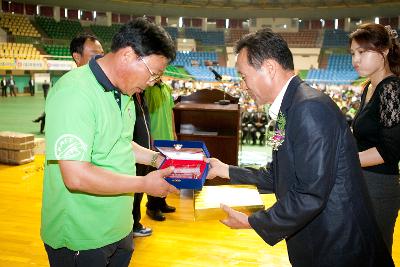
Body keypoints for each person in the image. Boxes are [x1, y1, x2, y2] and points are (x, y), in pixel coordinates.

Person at [206, 28, 394, 267]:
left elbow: (310, 193)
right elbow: (278, 174)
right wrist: (227, 170)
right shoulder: (288, 109)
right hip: (319, 239)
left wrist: (254, 222)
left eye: (244, 76)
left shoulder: (309, 109)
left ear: (270, 68)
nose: (243, 86)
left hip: (338, 245)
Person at [41, 18, 177, 267]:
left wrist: (159, 159)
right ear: (127, 56)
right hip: (82, 236)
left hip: (118, 226)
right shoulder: (75, 93)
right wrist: (144, 184)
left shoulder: (124, 91)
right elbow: (76, 176)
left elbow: (120, 142)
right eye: (153, 73)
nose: (152, 82)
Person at [350, 23, 400, 254]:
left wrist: (345, 159)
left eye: (363, 52)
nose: (356, 60)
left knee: (375, 255)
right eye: (353, 54)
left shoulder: (392, 89)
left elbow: (389, 151)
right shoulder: (369, 86)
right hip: (361, 181)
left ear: (385, 52)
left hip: (379, 187)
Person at [33, 34, 104, 135]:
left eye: (102, 54)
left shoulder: (100, 84)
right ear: (77, 57)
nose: (101, 59)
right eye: (95, 55)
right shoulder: (68, 89)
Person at [144, 81, 177, 221]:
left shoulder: (166, 88)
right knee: (154, 173)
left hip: (168, 137)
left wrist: (174, 132)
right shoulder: (148, 89)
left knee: (167, 172)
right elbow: (145, 115)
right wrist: (149, 136)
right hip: (155, 138)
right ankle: (152, 207)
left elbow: (171, 112)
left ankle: (162, 202)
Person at [131, 91, 153, 237]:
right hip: (133, 154)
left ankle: (135, 224)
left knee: (138, 193)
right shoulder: (127, 96)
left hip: (144, 152)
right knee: (133, 191)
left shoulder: (141, 96)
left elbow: (146, 126)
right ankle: (132, 225)